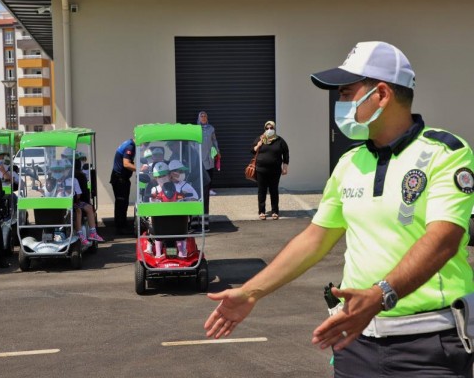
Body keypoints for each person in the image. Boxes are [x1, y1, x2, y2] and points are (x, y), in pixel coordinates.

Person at [203, 41, 474, 376]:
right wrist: (250, 292)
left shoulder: (445, 153)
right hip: (355, 342)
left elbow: (444, 239)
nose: (340, 103)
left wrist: (380, 295)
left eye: (346, 93)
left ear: (383, 94)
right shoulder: (349, 162)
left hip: (430, 343)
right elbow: (315, 239)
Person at [251, 121, 289, 220]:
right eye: (267, 128)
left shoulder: (280, 140)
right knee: (262, 191)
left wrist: (285, 167)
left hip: (275, 170)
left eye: (271, 128)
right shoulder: (260, 139)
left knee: (274, 190)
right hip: (261, 170)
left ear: (274, 129)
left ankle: (275, 211)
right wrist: (258, 145)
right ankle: (262, 211)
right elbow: (252, 150)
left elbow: (286, 154)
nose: (269, 130)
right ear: (264, 129)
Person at [62, 177, 104, 246]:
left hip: (72, 202)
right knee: (78, 210)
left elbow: (78, 195)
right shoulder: (54, 180)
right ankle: (79, 234)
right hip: (59, 203)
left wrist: (73, 196)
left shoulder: (73, 179)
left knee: (88, 207)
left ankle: (92, 233)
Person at [197, 111, 220, 232]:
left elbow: (214, 141)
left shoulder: (211, 128)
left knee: (208, 181)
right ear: (198, 118)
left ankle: (209, 188)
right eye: (201, 116)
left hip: (208, 159)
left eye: (205, 116)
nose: (203, 117)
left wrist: (217, 151)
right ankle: (196, 223)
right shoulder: (195, 129)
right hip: (198, 161)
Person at [110, 138, 136, 235]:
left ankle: (122, 224)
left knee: (122, 203)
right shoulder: (130, 146)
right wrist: (139, 169)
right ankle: (120, 227)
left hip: (120, 178)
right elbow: (126, 164)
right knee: (121, 203)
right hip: (120, 179)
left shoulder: (129, 143)